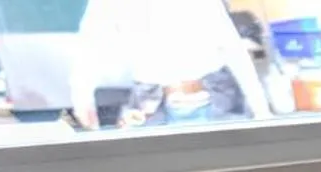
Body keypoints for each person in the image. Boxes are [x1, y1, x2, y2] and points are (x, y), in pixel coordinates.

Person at [69, 0, 270, 130]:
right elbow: (89, 43)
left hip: (212, 101)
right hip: (149, 107)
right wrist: (82, 98)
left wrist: (261, 110)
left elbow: (230, 45)